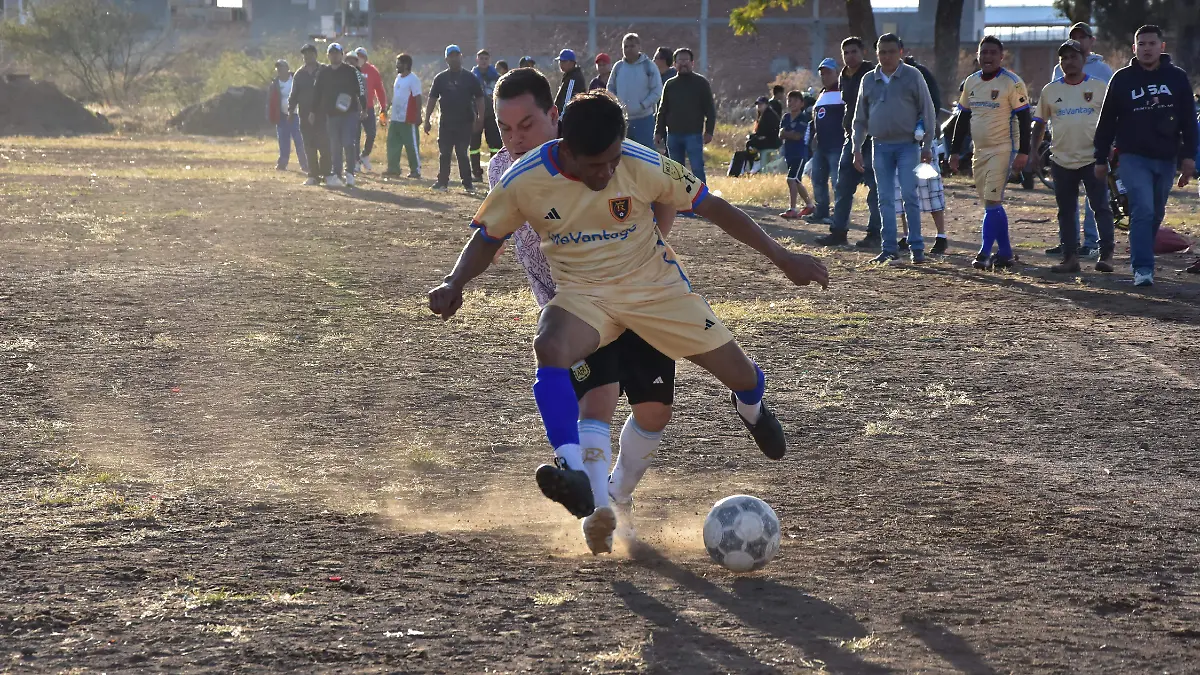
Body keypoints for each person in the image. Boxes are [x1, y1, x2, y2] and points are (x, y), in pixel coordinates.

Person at [427, 90, 829, 553]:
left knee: (741, 376)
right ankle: (571, 468)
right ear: (567, 150)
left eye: (613, 159)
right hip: (584, 296)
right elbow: (486, 237)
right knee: (550, 346)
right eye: (595, 165)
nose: (607, 172)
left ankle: (752, 408)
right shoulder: (525, 178)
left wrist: (783, 259)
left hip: (657, 292)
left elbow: (713, 207)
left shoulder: (641, 162)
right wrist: (454, 282)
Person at [487, 68, 680, 544]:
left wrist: (647, 248)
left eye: (527, 125)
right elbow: (490, 233)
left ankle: (618, 492)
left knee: (655, 409)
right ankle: (597, 513)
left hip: (638, 295)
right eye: (504, 127)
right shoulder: (504, 172)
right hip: (574, 310)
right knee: (598, 401)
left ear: (555, 116)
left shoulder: (605, 156)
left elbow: (666, 195)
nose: (515, 138)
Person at [1093, 24, 1197, 286]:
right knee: (1142, 208)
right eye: (1142, 44)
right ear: (1134, 48)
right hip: (1132, 156)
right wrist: (1099, 157)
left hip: (1166, 157)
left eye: (1152, 44)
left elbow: (1188, 120)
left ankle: (1140, 249)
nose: (1147, 49)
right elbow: (1106, 121)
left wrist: (1188, 157)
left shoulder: (1177, 78)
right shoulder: (1122, 78)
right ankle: (1142, 268)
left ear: (1162, 47)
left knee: (1156, 212)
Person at [1030, 40, 1115, 274]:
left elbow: (1111, 121)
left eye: (1073, 57)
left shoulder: (1099, 88)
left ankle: (1106, 255)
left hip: (1093, 159)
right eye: (1064, 58)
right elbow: (1039, 124)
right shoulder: (1050, 90)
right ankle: (1070, 258)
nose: (1069, 62)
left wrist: (1110, 148)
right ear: (1060, 62)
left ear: (1083, 59)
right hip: (1061, 160)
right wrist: (1034, 153)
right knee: (1066, 211)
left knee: (1100, 207)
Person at [851, 34, 938, 264]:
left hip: (908, 146)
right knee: (885, 199)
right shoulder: (868, 80)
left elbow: (927, 110)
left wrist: (927, 145)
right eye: (882, 52)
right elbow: (859, 118)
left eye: (890, 51)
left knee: (910, 196)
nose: (886, 56)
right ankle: (889, 248)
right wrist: (856, 148)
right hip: (879, 145)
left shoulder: (912, 75)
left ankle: (916, 248)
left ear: (901, 52)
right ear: (876, 53)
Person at [949, 36, 1033, 270]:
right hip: (980, 151)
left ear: (1001, 56)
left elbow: (1025, 118)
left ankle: (984, 253)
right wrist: (955, 151)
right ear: (978, 55)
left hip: (1003, 149)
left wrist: (1024, 152)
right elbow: (963, 117)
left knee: (994, 200)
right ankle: (1005, 253)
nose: (987, 57)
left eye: (992, 53)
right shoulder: (971, 82)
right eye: (983, 52)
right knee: (990, 204)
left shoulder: (1012, 83)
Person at [816, 37, 882, 249]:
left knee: (874, 187)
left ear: (863, 52)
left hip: (871, 137)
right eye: (846, 53)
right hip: (851, 137)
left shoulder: (873, 74)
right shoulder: (844, 75)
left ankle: (874, 234)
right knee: (843, 186)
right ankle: (838, 232)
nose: (850, 56)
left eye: (854, 52)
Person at [425, 44, 486, 191]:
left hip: (465, 122)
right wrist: (427, 119)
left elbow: (479, 98)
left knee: (462, 153)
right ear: (446, 59)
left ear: (461, 56)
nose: (454, 58)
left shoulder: (470, 78)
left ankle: (467, 183)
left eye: (456, 55)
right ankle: (442, 182)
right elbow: (432, 98)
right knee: (444, 153)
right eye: (451, 56)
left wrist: (480, 118)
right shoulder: (440, 78)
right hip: (446, 122)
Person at [654, 48, 716, 184]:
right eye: (680, 60)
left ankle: (702, 200)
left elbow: (710, 110)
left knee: (697, 168)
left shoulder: (701, 83)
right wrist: (658, 132)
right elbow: (662, 110)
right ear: (674, 64)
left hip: (693, 134)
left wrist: (709, 131)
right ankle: (679, 200)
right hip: (673, 135)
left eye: (686, 60)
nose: (683, 63)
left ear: (692, 63)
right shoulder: (670, 85)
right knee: (676, 171)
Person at [311, 42, 366, 188]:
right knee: (334, 144)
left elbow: (360, 90)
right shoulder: (323, 72)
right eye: (332, 53)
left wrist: (364, 108)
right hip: (331, 114)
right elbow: (317, 93)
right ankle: (337, 173)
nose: (334, 55)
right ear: (328, 55)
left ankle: (350, 173)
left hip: (350, 113)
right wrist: (313, 111)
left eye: (337, 53)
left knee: (348, 142)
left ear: (342, 55)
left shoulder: (351, 71)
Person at [607, 32, 663, 148]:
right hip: (622, 120)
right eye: (626, 46)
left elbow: (657, 90)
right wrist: (616, 104)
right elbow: (610, 88)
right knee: (623, 155)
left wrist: (643, 105)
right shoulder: (618, 67)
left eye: (632, 46)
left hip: (644, 120)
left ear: (639, 47)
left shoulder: (649, 66)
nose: (629, 49)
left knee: (646, 154)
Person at [806, 58, 843, 225]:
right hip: (821, 145)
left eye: (828, 73)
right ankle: (821, 211)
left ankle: (840, 215)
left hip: (837, 145)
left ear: (837, 73)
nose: (824, 76)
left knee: (838, 182)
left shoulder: (843, 91)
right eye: (822, 73)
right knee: (818, 179)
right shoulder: (822, 94)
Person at [289, 44, 328, 186]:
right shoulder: (299, 74)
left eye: (310, 54)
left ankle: (326, 173)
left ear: (315, 55)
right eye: (305, 54)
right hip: (304, 116)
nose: (307, 57)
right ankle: (313, 175)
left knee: (324, 146)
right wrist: (290, 110)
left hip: (322, 115)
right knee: (309, 147)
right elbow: (293, 95)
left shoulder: (324, 70)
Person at [386, 52, 423, 179]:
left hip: (408, 118)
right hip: (395, 118)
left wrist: (418, 115)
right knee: (392, 143)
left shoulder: (413, 79)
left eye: (399, 63)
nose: (397, 66)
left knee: (411, 145)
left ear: (406, 65)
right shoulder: (398, 78)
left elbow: (418, 97)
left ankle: (416, 170)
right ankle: (393, 168)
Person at [779, 90, 815, 218]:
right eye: (789, 100)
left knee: (791, 179)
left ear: (801, 103)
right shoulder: (786, 117)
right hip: (789, 152)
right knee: (797, 181)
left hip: (800, 153)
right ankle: (810, 206)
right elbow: (780, 134)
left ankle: (792, 209)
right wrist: (789, 134)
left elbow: (797, 136)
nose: (791, 103)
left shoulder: (804, 117)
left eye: (795, 100)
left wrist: (787, 133)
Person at [268, 59, 307, 175]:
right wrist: (272, 115)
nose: (280, 70)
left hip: (296, 115)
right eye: (278, 68)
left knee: (299, 140)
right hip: (282, 116)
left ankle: (305, 165)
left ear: (287, 68)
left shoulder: (295, 79)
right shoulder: (275, 83)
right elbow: (270, 101)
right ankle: (282, 163)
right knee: (283, 140)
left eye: (282, 67)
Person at [469, 49, 502, 182]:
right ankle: (476, 173)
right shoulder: (470, 77)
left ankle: (495, 173)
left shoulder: (497, 77)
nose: (483, 61)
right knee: (474, 146)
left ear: (490, 60)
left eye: (486, 59)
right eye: (481, 58)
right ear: (477, 60)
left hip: (492, 115)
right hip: (475, 114)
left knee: (495, 145)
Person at [353, 48, 387, 173]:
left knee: (371, 133)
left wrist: (383, 107)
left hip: (368, 108)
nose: (360, 58)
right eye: (357, 56)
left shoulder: (373, 71)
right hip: (354, 108)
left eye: (362, 56)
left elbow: (379, 90)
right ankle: (355, 161)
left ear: (366, 58)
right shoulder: (351, 69)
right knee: (355, 136)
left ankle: (364, 155)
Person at [554, 48, 588, 114]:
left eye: (564, 61)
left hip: (569, 118)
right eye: (560, 61)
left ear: (572, 63)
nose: (561, 64)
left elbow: (567, 102)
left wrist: (561, 119)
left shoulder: (573, 78)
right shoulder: (569, 76)